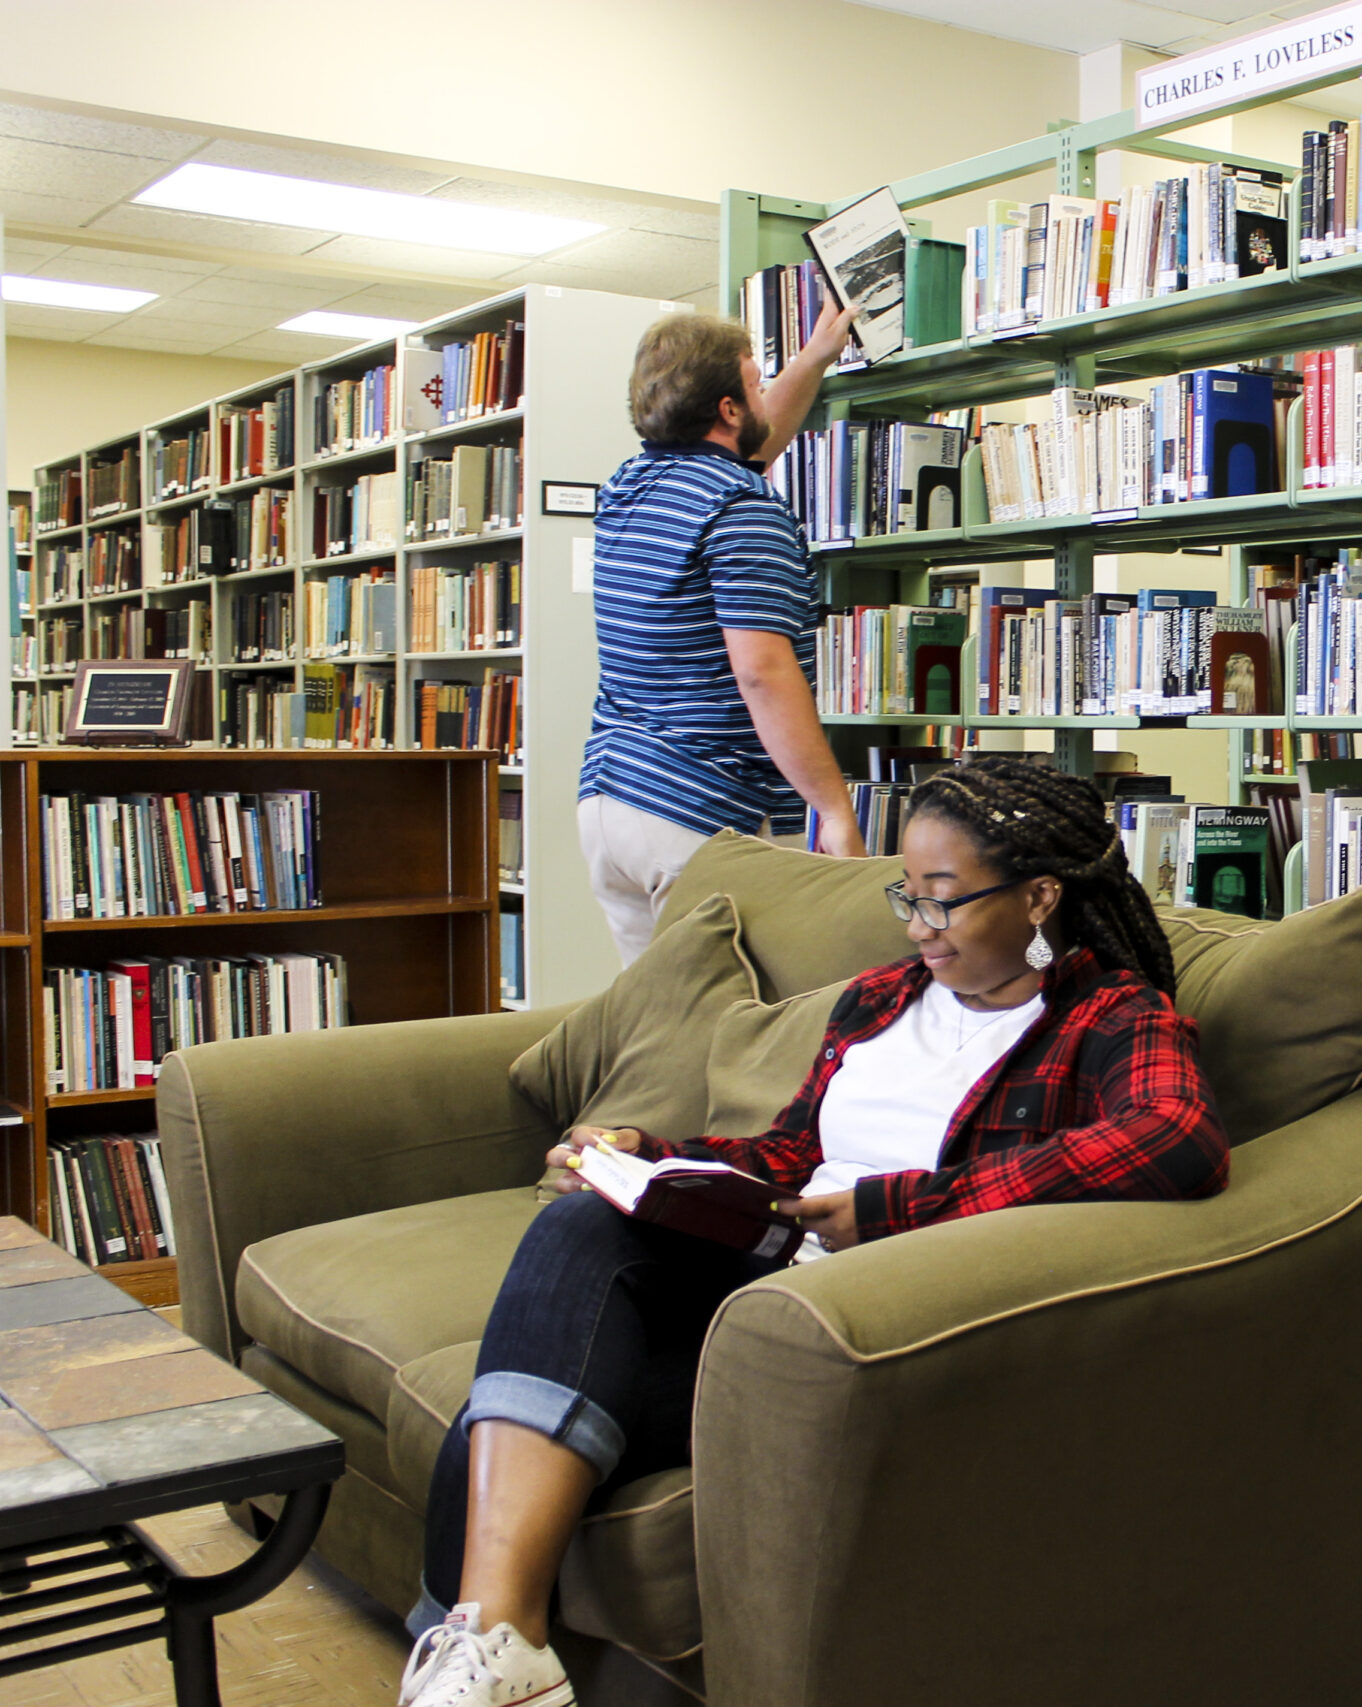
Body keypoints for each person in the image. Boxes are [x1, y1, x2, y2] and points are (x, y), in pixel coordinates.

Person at [393, 756, 1229, 1707]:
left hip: (864, 1315)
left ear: (1040, 896)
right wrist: (647, 1153)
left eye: (943, 901)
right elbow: (790, 1153)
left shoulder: (1108, 1016)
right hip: (762, 1266)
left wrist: (892, 1207)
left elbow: (1177, 1137)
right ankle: (495, 1656)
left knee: (495, 1421)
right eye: (905, 895)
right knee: (580, 1235)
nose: (917, 926)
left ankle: (476, 1657)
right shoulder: (880, 997)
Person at [577, 307, 869, 968]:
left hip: (612, 803)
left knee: (651, 1031)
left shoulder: (629, 486)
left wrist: (817, 356)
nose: (767, 396)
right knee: (734, 1029)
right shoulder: (744, 511)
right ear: (730, 409)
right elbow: (762, 672)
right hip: (698, 811)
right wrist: (833, 808)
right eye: (755, 385)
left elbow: (755, 443)